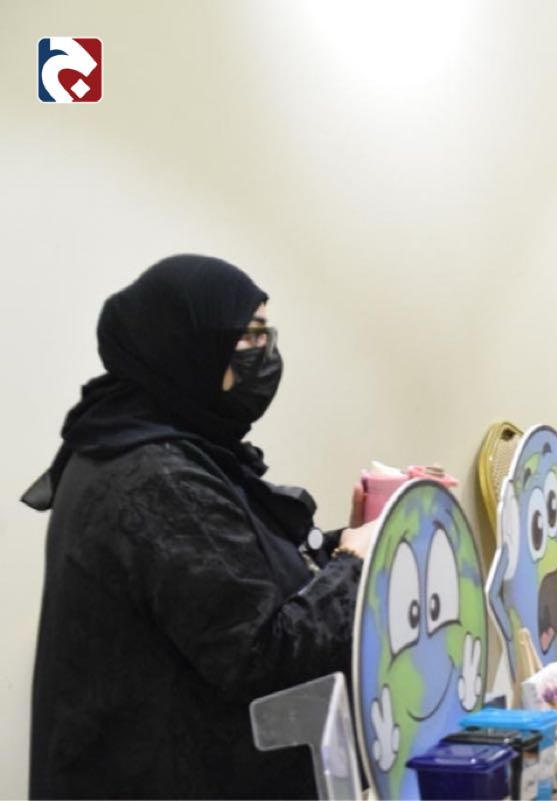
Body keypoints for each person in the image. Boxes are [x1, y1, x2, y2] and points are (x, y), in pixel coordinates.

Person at [24, 255, 372, 799]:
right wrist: (353, 566)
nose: (265, 353)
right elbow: (263, 657)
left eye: (265, 334)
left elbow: (236, 575)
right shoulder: (158, 479)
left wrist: (344, 543)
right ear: (186, 345)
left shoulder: (138, 447)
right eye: (249, 336)